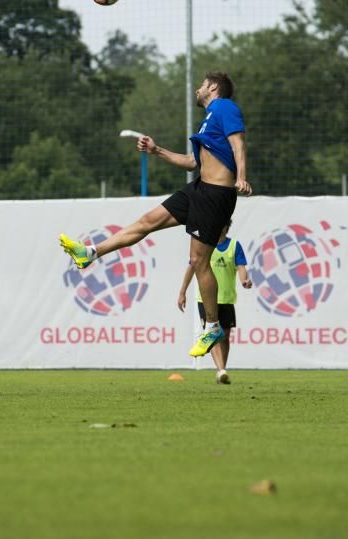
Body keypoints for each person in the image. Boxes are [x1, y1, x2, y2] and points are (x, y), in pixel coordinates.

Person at [59, 71, 251, 359]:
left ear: (212, 88)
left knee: (199, 260)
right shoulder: (209, 119)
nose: (198, 89)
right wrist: (156, 150)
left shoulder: (223, 106)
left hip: (216, 194)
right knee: (147, 221)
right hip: (199, 188)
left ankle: (212, 326)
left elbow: (239, 143)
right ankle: (90, 253)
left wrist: (242, 177)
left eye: (201, 85)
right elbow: (191, 163)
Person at [177, 220, 252, 383]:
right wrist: (182, 291)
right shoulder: (203, 245)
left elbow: (241, 267)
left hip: (226, 299)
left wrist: (244, 280)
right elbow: (191, 267)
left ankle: (221, 371)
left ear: (225, 227)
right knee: (212, 334)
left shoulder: (234, 246)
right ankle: (221, 370)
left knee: (224, 336)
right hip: (205, 299)